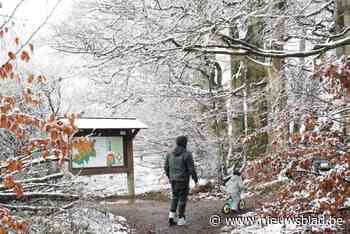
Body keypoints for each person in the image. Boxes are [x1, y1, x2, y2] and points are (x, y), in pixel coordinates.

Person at [164, 136, 198, 226]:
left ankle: (171, 216)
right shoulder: (187, 154)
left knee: (175, 197)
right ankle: (181, 219)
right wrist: (195, 179)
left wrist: (170, 176)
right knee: (182, 199)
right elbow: (191, 169)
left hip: (173, 180)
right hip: (183, 180)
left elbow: (166, 167)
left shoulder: (169, 153)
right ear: (185, 143)